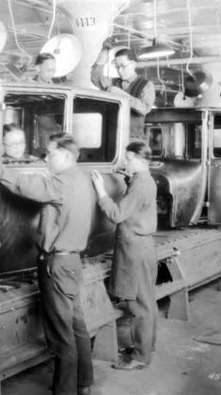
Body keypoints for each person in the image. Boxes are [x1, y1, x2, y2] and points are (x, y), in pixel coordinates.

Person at [0, 133, 93, 395]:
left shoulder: (62, 183)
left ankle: (64, 392)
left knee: (61, 335)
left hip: (56, 265)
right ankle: (84, 384)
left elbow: (28, 185)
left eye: (51, 153)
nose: (46, 158)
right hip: (72, 262)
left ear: (67, 156)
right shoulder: (82, 178)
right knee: (77, 325)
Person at [91, 141, 158, 371]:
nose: (125, 163)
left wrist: (101, 193)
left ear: (140, 160)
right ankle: (146, 347)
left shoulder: (141, 185)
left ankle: (140, 357)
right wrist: (128, 179)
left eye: (128, 159)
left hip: (135, 249)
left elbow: (118, 214)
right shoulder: (143, 179)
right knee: (147, 300)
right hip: (144, 245)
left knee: (139, 304)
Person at [91, 40, 155, 141]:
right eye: (117, 67)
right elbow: (96, 78)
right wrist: (104, 51)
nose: (119, 70)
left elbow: (144, 109)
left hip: (133, 139)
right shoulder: (113, 82)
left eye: (123, 66)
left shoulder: (146, 85)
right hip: (111, 136)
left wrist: (122, 96)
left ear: (134, 64)